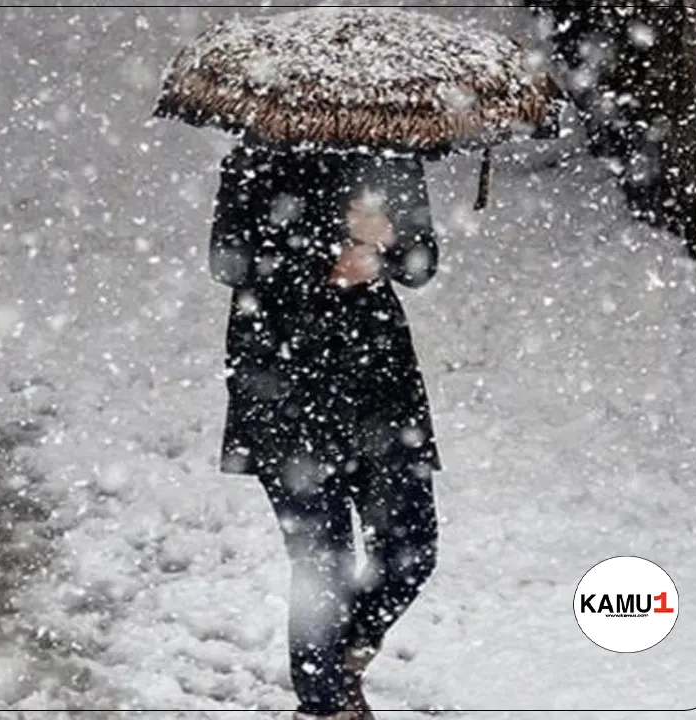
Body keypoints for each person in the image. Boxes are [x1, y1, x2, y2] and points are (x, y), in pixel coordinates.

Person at [209, 137, 442, 720]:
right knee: (323, 563)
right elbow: (229, 261)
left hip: (379, 386)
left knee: (411, 547)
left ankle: (341, 660)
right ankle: (323, 706)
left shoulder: (390, 152)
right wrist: (329, 247)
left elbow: (423, 261)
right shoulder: (257, 154)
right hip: (284, 384)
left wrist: (386, 248)